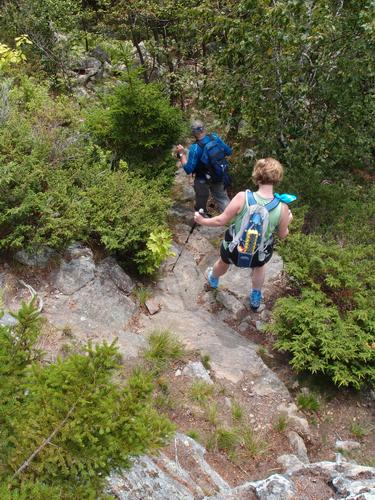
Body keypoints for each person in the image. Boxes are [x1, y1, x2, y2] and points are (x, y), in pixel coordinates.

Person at [193, 157, 293, 311]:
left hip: (234, 249)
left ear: (257, 175)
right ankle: (255, 295)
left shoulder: (243, 197)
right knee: (259, 268)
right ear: (277, 177)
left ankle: (213, 279)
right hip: (258, 253)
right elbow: (282, 234)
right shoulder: (282, 207)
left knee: (222, 262)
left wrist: (201, 220)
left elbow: (221, 221)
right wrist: (289, 220)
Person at [175, 120, 232, 213]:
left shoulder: (195, 148)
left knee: (201, 202)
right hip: (218, 173)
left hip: (202, 179)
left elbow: (188, 169)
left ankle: (200, 220)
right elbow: (229, 151)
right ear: (204, 128)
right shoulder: (215, 137)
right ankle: (232, 222)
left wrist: (182, 154)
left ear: (193, 133)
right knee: (222, 198)